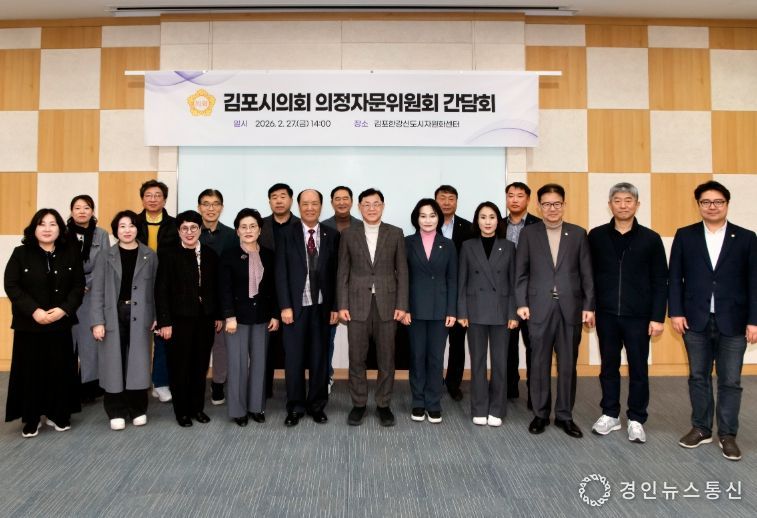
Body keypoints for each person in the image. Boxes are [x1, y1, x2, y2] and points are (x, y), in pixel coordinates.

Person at [669, 181, 757, 461]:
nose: (712, 206)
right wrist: (676, 312)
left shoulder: (746, 238)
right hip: (695, 319)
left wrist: (754, 320)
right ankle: (701, 428)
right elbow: (675, 277)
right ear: (698, 205)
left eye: (718, 201)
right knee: (698, 376)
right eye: (706, 202)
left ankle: (728, 434)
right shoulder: (685, 235)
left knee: (730, 380)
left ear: (727, 204)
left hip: (734, 320)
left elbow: (754, 281)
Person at [588, 183, 668, 443]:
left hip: (639, 316)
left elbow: (660, 280)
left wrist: (657, 317)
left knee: (638, 368)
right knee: (608, 366)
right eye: (618, 200)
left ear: (637, 204)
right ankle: (610, 413)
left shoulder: (651, 239)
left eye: (628, 200)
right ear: (610, 204)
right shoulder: (596, 236)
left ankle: (636, 418)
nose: (623, 205)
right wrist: (589, 307)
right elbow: (588, 276)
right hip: (606, 314)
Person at [515, 183, 595, 439]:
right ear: (539, 206)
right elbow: (521, 272)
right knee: (538, 362)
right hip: (538, 308)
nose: (552, 208)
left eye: (557, 203)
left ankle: (564, 416)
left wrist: (589, 306)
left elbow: (587, 274)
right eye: (547, 204)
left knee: (568, 364)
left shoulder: (578, 233)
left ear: (564, 205)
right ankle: (540, 414)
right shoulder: (529, 234)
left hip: (570, 309)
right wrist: (521, 303)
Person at [4, 209, 84, 437]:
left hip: (60, 323)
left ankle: (58, 413)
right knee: (30, 372)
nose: (47, 228)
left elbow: (78, 286)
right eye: (42, 224)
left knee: (59, 371)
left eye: (52, 224)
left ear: (60, 229)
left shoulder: (71, 253)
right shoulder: (20, 253)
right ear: (34, 228)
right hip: (29, 325)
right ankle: (31, 417)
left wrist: (64, 310)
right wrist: (34, 311)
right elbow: (11, 285)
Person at [337, 188, 408, 427]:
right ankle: (358, 404)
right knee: (357, 358)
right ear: (359, 207)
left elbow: (403, 272)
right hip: (356, 305)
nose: (371, 208)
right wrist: (342, 304)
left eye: (376, 204)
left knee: (387, 358)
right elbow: (342, 272)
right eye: (366, 204)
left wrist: (402, 305)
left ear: (383, 206)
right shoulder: (348, 234)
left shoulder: (395, 233)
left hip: (388, 304)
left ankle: (383, 404)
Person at [89, 211, 158, 431]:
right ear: (116, 230)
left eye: (132, 225)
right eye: (122, 226)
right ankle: (116, 410)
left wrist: (157, 316)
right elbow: (97, 291)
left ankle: (137, 408)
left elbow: (157, 289)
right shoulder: (105, 255)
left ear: (138, 229)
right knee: (113, 363)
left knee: (138, 362)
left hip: (141, 315)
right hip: (113, 313)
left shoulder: (149, 255)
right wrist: (97, 321)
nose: (127, 230)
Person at [276, 189, 339, 426]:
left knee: (319, 359)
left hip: (322, 307)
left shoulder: (332, 234)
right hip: (295, 307)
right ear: (298, 206)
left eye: (314, 204)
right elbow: (280, 272)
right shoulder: (286, 234)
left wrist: (335, 306)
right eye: (305, 204)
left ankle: (316, 405)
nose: (310, 208)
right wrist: (284, 306)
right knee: (294, 359)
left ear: (321, 206)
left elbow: (336, 274)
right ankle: (295, 407)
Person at [155, 211, 222, 427]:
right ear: (178, 231)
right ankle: (182, 412)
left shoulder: (211, 254)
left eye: (193, 227)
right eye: (184, 228)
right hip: (178, 320)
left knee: (200, 366)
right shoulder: (169, 255)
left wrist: (219, 315)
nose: (189, 232)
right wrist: (164, 322)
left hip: (205, 319)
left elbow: (217, 288)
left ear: (200, 229)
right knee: (180, 367)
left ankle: (197, 409)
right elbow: (161, 290)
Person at [457, 202, 517, 426]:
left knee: (500, 363)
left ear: (498, 221)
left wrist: (513, 314)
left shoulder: (509, 247)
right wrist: (462, 311)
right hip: (475, 311)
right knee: (478, 362)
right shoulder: (467, 246)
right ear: (477, 220)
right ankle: (479, 408)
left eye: (492, 217)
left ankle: (497, 410)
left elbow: (513, 283)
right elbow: (462, 281)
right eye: (483, 217)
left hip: (502, 312)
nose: (488, 221)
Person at [219, 209, 279, 426]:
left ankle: (256, 407)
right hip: (237, 319)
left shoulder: (269, 255)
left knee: (260, 364)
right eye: (243, 227)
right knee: (237, 365)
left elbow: (274, 288)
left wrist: (275, 315)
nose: (248, 230)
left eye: (253, 226)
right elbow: (224, 289)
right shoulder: (229, 255)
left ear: (259, 230)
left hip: (262, 317)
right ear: (237, 231)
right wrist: (229, 316)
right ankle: (238, 411)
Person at [402, 198, 457, 424]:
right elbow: (402, 279)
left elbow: (453, 279)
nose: (427, 220)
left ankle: (433, 403)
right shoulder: (406, 243)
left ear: (439, 218)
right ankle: (418, 401)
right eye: (423, 216)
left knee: (435, 358)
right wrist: (404, 308)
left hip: (440, 310)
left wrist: (452, 310)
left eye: (432, 216)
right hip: (413, 310)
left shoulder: (448, 245)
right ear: (416, 218)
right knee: (417, 357)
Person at [135, 179, 178, 403]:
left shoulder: (174, 225)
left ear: (165, 199)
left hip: (166, 285)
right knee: (138, 337)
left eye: (157, 195)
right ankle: (138, 381)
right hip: (138, 286)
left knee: (163, 333)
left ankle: (160, 382)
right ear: (142, 199)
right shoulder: (133, 223)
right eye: (148, 195)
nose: (153, 199)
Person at [67, 194, 110, 403]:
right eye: (77, 207)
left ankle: (89, 387)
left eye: (86, 207)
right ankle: (67, 387)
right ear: (71, 211)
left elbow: (105, 263)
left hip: (92, 292)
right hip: (67, 293)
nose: (82, 211)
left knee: (89, 343)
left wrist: (87, 283)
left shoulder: (101, 234)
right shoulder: (63, 233)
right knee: (68, 341)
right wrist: (75, 285)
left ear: (92, 211)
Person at [259, 183, 300, 399]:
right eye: (274, 197)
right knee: (266, 345)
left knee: (294, 346)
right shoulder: (260, 225)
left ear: (291, 200)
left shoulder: (301, 226)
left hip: (294, 296)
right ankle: (264, 390)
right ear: (269, 201)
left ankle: (294, 392)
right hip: (265, 294)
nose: (279, 200)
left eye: (283, 196)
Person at [503, 182, 541, 407]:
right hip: (505, 295)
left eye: (520, 196)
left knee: (533, 345)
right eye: (510, 195)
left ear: (528, 199)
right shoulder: (498, 224)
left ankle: (535, 393)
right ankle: (510, 388)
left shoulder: (539, 225)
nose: (515, 200)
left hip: (532, 295)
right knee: (507, 345)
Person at [197, 188, 236, 406]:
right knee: (197, 346)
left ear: (221, 207)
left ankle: (218, 383)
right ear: (199, 207)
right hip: (195, 301)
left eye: (215, 204)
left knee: (221, 347)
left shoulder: (231, 235)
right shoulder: (191, 231)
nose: (210, 208)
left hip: (221, 301)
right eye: (206, 204)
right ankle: (196, 384)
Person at [434, 185, 473, 402]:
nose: (447, 202)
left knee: (457, 343)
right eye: (442, 198)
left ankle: (453, 383)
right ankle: (434, 381)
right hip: (435, 294)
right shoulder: (427, 225)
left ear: (456, 202)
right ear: (435, 201)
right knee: (435, 343)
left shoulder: (468, 228)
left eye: (451, 198)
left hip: (460, 294)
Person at [321, 185, 360, 392]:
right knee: (327, 338)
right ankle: (326, 375)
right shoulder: (322, 227)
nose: (342, 202)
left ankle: (358, 380)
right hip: (329, 291)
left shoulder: (362, 226)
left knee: (359, 340)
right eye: (337, 198)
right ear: (331, 202)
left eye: (346, 198)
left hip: (358, 291)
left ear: (352, 202)